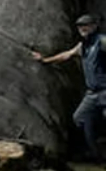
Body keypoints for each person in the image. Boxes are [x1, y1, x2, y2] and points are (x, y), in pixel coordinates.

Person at [32, 14, 106, 162]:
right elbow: (67, 55)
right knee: (80, 118)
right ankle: (97, 154)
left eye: (86, 25)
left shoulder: (102, 41)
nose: (82, 28)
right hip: (92, 93)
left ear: (94, 26)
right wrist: (45, 60)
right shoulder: (83, 45)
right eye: (79, 26)